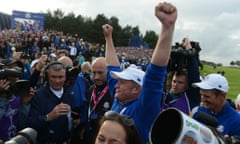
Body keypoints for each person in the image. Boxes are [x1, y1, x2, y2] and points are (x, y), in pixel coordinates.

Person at [102, 1, 178, 143]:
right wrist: (108, 38)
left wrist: (167, 28)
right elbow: (112, 66)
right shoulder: (120, 98)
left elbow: (154, 76)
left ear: (137, 89)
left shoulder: (144, 110)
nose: (116, 85)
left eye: (122, 82)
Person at [28, 61, 77, 143]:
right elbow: (31, 123)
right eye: (53, 77)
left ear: (65, 77)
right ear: (47, 77)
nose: (57, 81)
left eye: (60, 77)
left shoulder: (70, 94)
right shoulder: (38, 96)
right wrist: (48, 117)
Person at [83, 57, 112, 144]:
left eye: (100, 73)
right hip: (88, 136)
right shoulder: (90, 90)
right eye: (94, 73)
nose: (96, 77)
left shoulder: (114, 92)